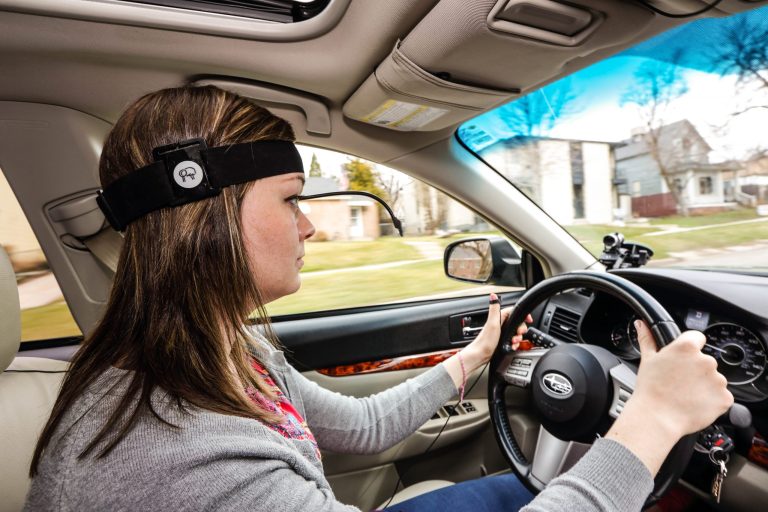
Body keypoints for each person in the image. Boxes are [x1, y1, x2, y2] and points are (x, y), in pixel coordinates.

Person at [24, 85, 733, 512]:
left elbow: (358, 429)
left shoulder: (223, 352)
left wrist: (475, 357)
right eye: (291, 201)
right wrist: (655, 416)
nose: (307, 226)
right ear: (205, 217)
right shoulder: (175, 450)